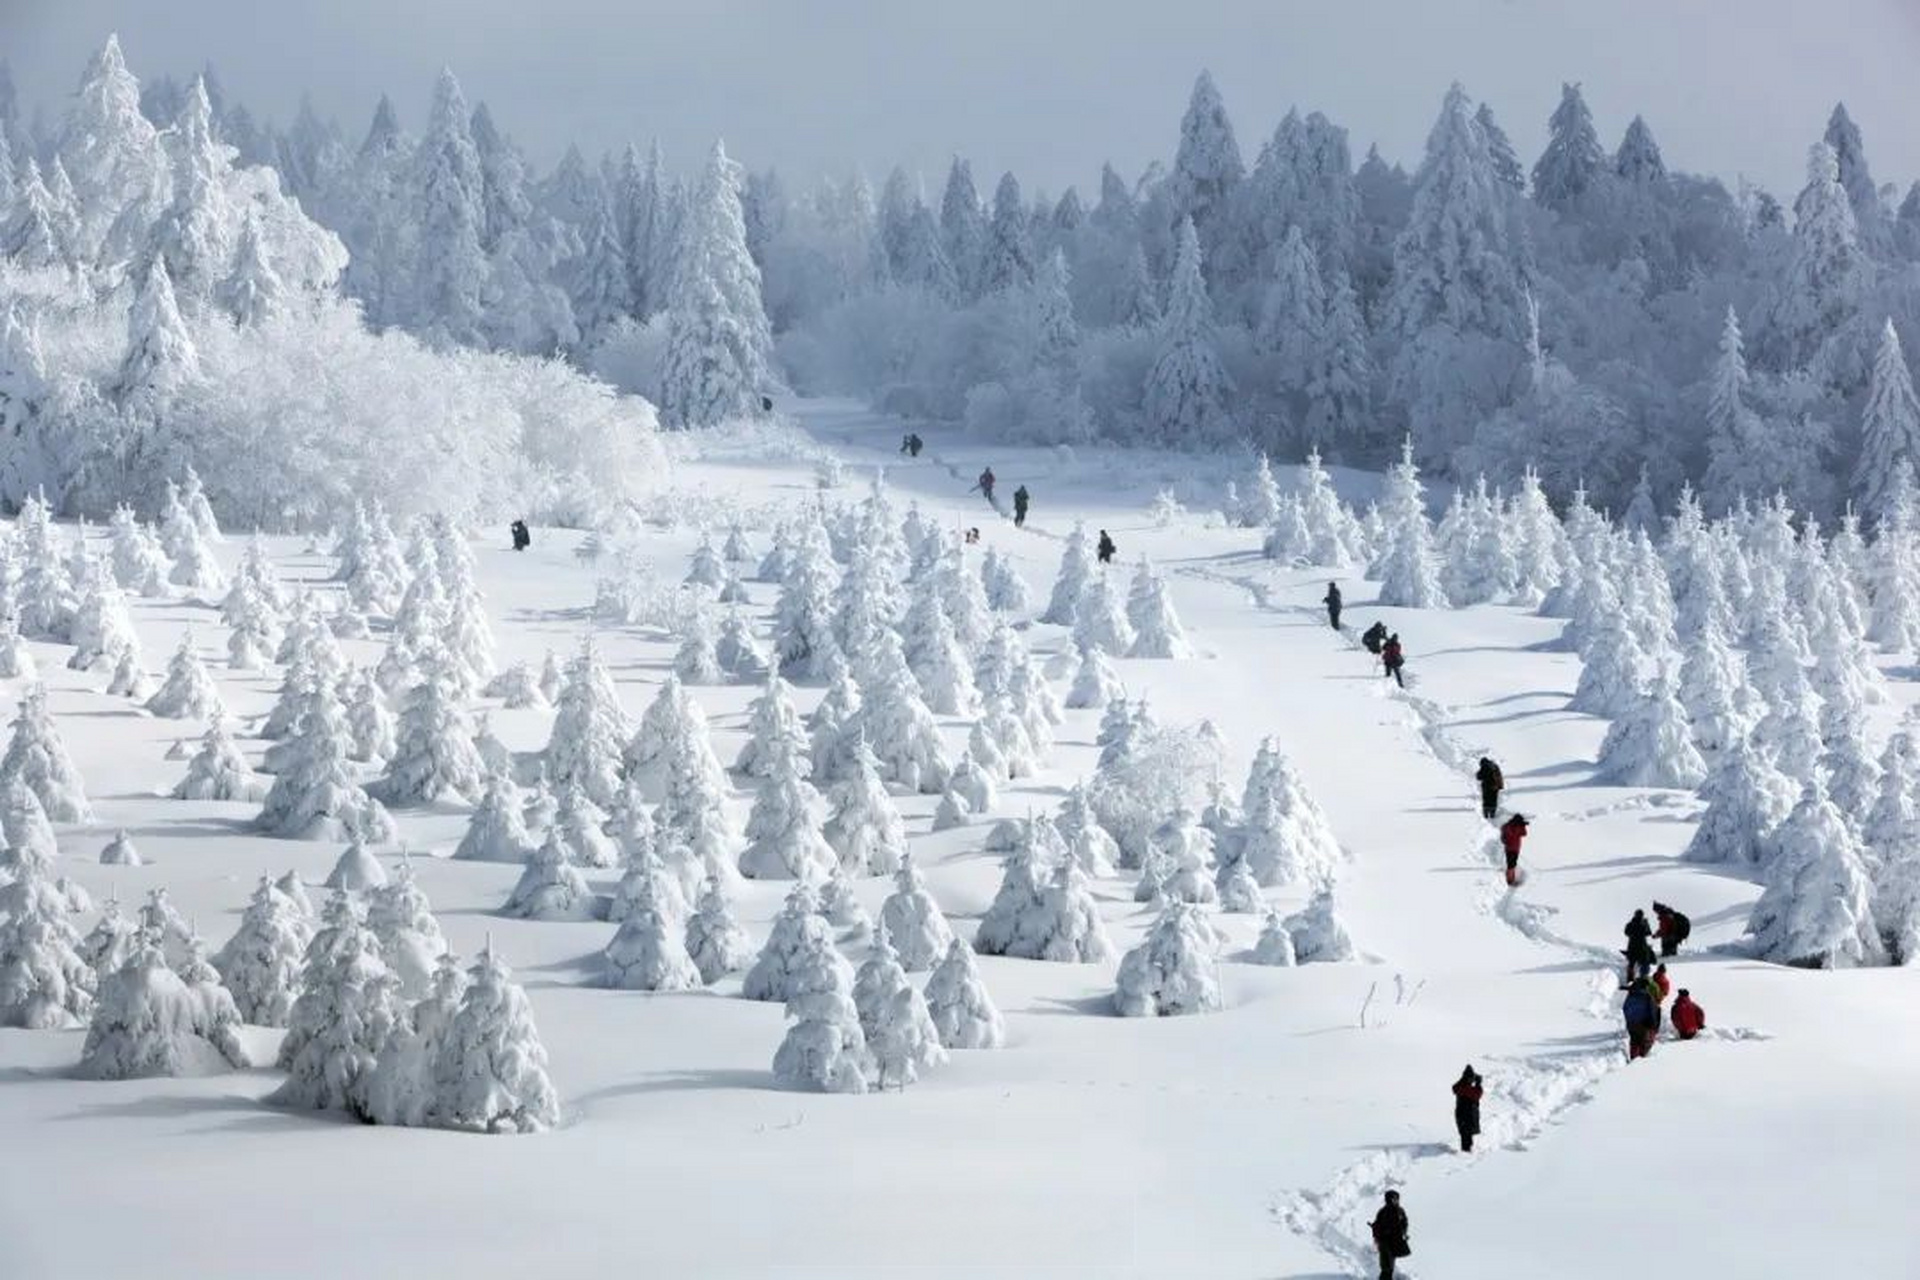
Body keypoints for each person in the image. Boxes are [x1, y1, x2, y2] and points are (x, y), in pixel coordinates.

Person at [1369, 1190, 1411, 1280]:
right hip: (1387, 1242)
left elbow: (1404, 1224)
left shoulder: (1396, 1211)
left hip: (1391, 1242)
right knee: (1387, 1267)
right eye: (1394, 1198)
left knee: (1388, 1266)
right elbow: (1378, 1226)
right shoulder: (1391, 1211)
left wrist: (1403, 1233)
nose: (1396, 1200)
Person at [1622, 978, 1659, 1060]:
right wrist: (1653, 1026)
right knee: (1643, 1043)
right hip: (1643, 1023)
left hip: (1631, 1023)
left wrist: (1629, 1019)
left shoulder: (1631, 994)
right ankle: (1641, 1063)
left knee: (1634, 1041)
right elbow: (1652, 1011)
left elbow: (1625, 1008)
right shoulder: (1647, 997)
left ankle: (1633, 1059)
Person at [1451, 1065, 1483, 1153]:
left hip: (1463, 1116)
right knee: (1466, 1140)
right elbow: (1477, 1094)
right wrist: (1478, 1084)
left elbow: (1455, 1087)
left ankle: (1466, 1154)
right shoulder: (1465, 1088)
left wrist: (1464, 1079)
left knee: (1467, 1138)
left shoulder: (1461, 1086)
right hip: (1466, 1117)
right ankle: (1465, 1158)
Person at [1623, 909, 1656, 981]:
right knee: (1644, 963)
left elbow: (1626, 933)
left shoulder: (1630, 924)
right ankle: (1643, 979)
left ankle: (1630, 979)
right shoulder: (1643, 924)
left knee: (1631, 963)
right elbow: (1648, 933)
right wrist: (1647, 924)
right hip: (1642, 947)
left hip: (1632, 946)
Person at [1498, 813, 1528, 886]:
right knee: (1511, 864)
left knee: (1512, 864)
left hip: (1515, 848)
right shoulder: (1509, 826)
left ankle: (1511, 879)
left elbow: (1524, 833)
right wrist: (1518, 827)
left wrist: (1523, 826)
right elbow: (1510, 834)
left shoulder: (1516, 826)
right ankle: (1510, 880)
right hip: (1511, 848)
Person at [1475, 757, 1504, 821]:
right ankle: (1492, 814)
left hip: (1487, 786)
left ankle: (1486, 816)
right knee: (1493, 800)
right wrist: (1500, 786)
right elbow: (1500, 776)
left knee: (1486, 800)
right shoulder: (1495, 766)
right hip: (1495, 787)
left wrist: (1478, 773)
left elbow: (1479, 776)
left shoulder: (1485, 766)